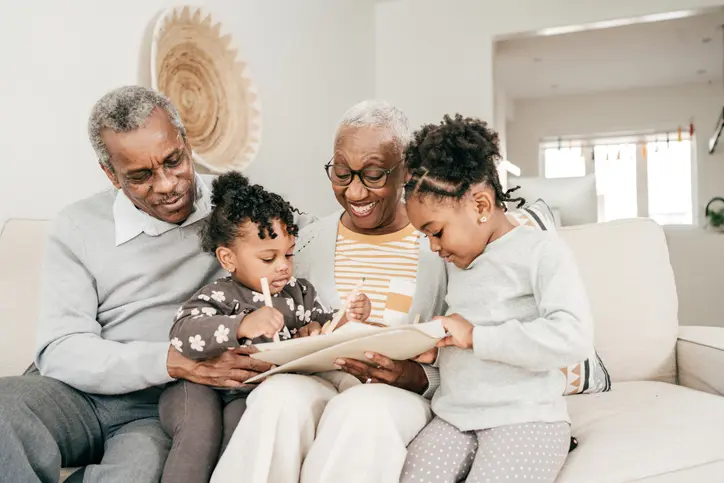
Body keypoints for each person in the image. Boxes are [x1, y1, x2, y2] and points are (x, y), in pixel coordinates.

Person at [0, 86, 278, 483]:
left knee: (138, 472)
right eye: (141, 176)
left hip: (156, 406)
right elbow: (60, 349)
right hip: (73, 394)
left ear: (186, 142)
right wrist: (171, 359)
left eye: (173, 161)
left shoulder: (234, 208)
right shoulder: (77, 225)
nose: (166, 185)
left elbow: (303, 238)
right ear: (111, 174)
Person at [212, 100, 449, 483]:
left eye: (373, 175)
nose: (354, 192)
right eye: (341, 173)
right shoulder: (301, 244)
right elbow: (270, 313)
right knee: (276, 400)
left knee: (361, 410)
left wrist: (416, 377)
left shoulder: (439, 243)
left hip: (395, 395)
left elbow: (464, 345)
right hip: (317, 380)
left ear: (405, 170)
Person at [399, 114, 594, 483]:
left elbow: (573, 337)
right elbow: (464, 340)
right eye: (425, 236)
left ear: (482, 206)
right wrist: (437, 348)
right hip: (454, 418)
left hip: (526, 418)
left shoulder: (541, 251)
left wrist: (475, 337)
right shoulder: (455, 262)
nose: (433, 246)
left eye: (436, 231)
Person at [159, 171, 372, 483]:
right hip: (198, 389)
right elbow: (183, 334)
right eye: (268, 258)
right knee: (199, 432)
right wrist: (242, 324)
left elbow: (326, 331)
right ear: (228, 259)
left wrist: (346, 318)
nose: (283, 266)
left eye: (288, 254)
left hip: (248, 395)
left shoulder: (298, 294)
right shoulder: (221, 294)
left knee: (243, 433)